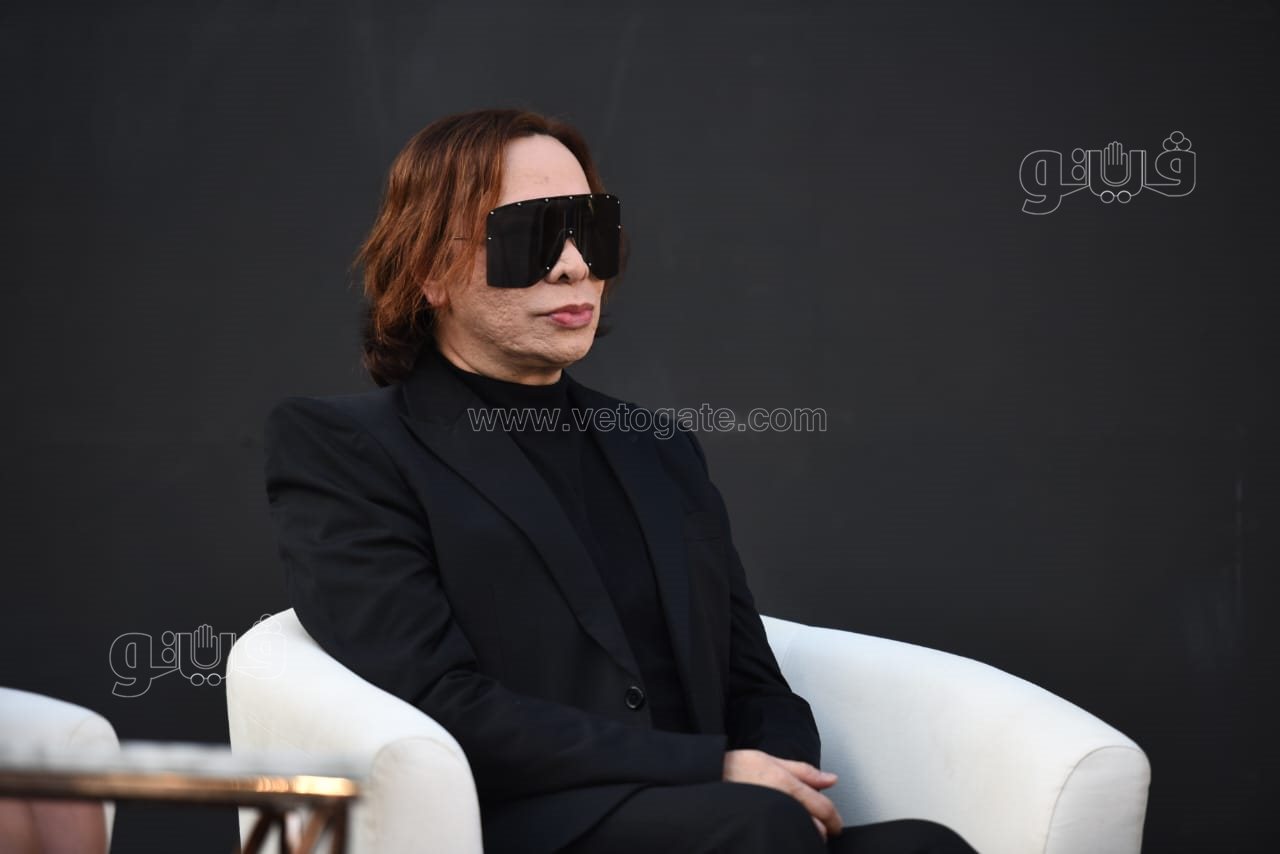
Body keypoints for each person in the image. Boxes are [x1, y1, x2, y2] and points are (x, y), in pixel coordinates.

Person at [262, 108, 979, 853]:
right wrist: (710, 770)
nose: (575, 265)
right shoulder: (347, 447)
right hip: (520, 826)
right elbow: (438, 700)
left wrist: (783, 775)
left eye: (591, 230)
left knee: (924, 846)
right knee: (755, 826)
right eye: (531, 236)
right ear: (430, 271)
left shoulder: (657, 448)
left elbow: (752, 682)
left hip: (727, 822)